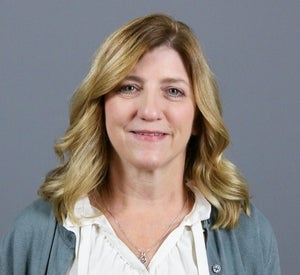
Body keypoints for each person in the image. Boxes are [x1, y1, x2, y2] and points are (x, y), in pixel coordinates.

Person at [0, 14, 280, 274]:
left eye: (173, 91)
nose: (149, 111)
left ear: (198, 117)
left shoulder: (248, 235)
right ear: (101, 107)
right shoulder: (33, 233)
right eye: (129, 87)